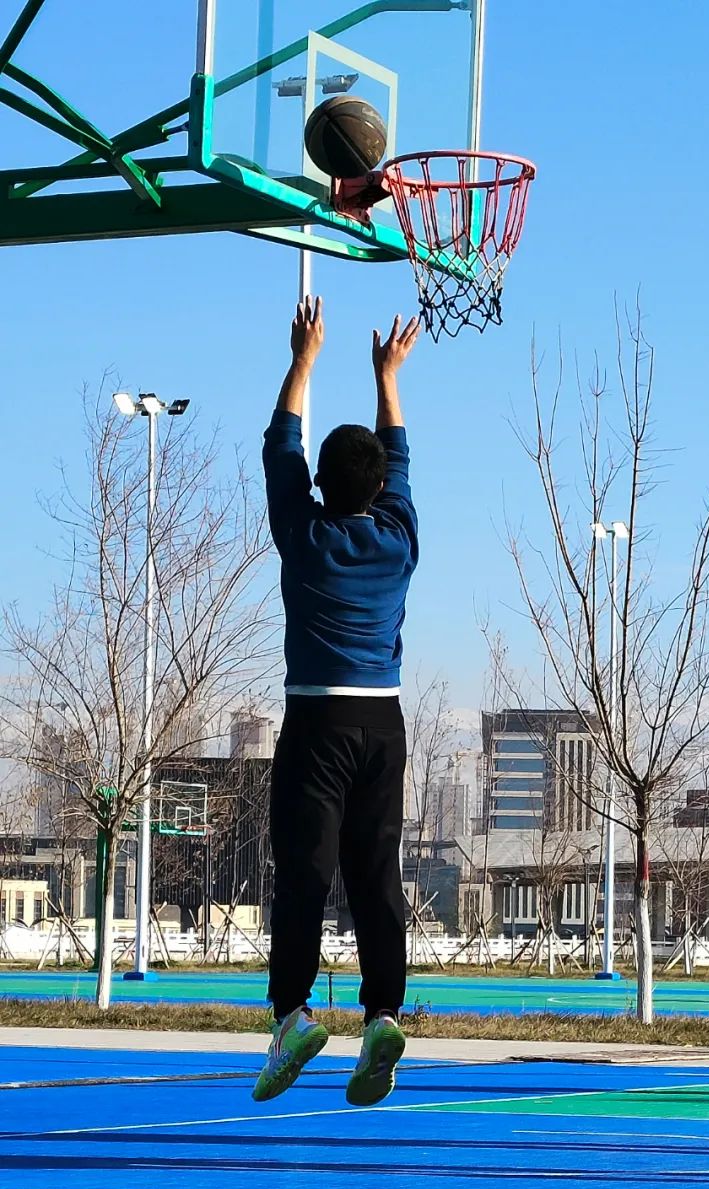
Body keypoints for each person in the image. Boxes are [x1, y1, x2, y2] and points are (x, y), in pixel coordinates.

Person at [253, 297, 422, 1106]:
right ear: (381, 486)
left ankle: (292, 1014)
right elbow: (398, 454)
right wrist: (388, 376)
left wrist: (303, 359)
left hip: (317, 719)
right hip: (383, 723)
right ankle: (383, 1010)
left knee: (304, 873)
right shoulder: (399, 538)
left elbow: (279, 446)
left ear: (321, 486)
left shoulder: (305, 535)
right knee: (375, 874)